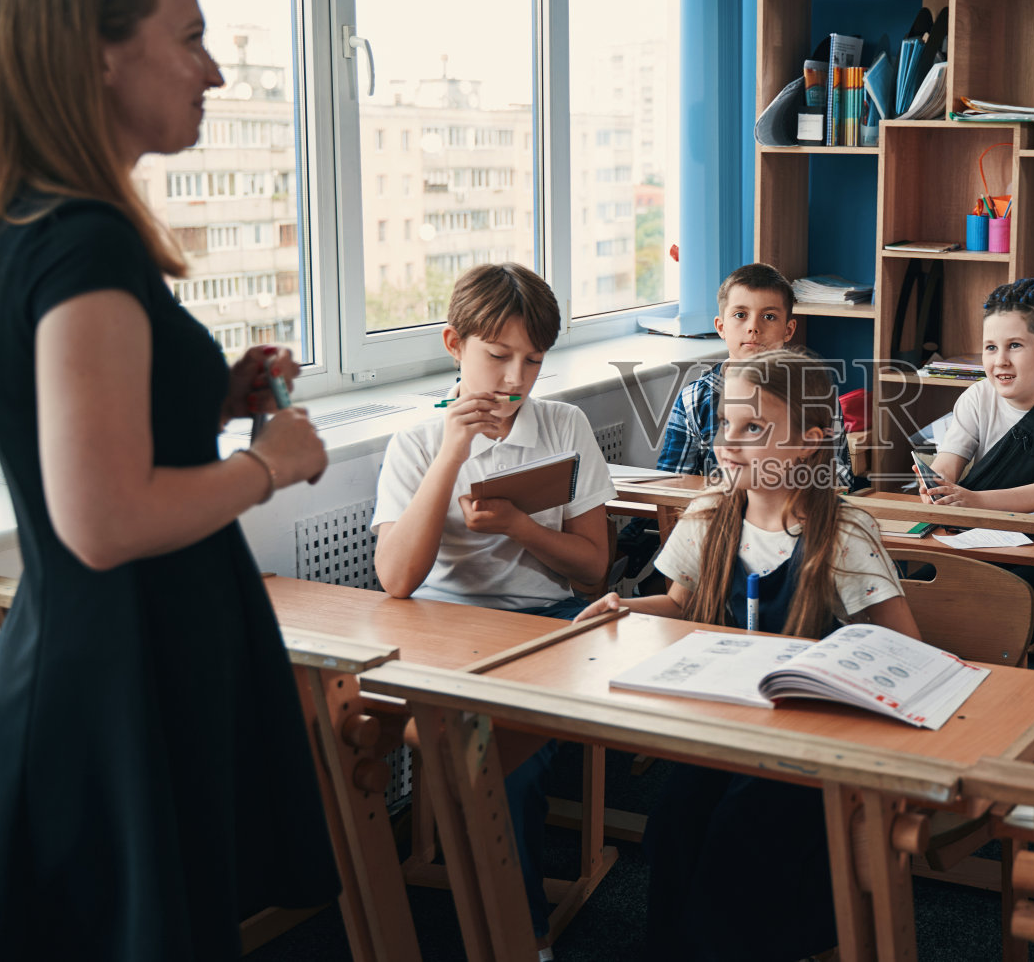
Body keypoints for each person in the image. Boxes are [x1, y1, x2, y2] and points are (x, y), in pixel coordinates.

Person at [0, 0, 338, 959]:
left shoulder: (30, 227)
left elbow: (81, 432)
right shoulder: (85, 243)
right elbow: (103, 516)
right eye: (189, 36)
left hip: (106, 664)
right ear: (97, 49)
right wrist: (266, 462)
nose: (215, 69)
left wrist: (212, 398)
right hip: (112, 684)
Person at [576, 348, 920, 961]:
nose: (728, 443)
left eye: (754, 428)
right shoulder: (709, 513)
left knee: (744, 831)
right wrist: (625, 609)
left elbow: (903, 646)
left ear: (812, 442)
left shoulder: (843, 531)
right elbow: (679, 605)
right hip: (725, 733)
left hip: (807, 750)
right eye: (724, 424)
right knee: (676, 824)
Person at [371, 262, 614, 952]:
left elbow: (593, 567)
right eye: (498, 356)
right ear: (454, 343)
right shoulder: (416, 442)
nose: (515, 380)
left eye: (533, 361)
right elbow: (395, 579)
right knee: (404, 730)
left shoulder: (565, 425)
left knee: (506, 754)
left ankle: (520, 935)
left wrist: (521, 528)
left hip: (542, 620)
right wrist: (453, 449)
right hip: (440, 625)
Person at [918, 278, 1034, 629]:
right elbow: (948, 463)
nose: (999, 361)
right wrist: (936, 486)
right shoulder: (977, 397)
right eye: (990, 347)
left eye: (1014, 345)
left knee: (997, 611)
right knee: (919, 591)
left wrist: (970, 500)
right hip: (987, 540)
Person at [655, 262, 852, 484]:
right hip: (719, 513)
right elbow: (670, 485)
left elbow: (838, 481)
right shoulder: (694, 399)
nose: (753, 328)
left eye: (768, 317)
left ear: (788, 330)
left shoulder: (815, 395)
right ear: (721, 327)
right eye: (740, 314)